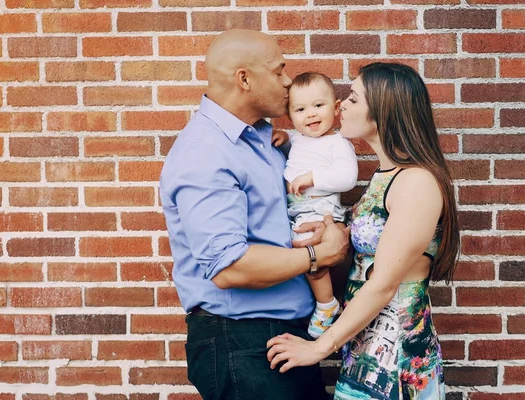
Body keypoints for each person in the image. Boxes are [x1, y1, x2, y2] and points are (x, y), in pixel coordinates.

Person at [159, 29, 350, 400]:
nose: (288, 81)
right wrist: (319, 255)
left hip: (279, 338)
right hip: (242, 343)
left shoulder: (263, 139)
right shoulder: (206, 152)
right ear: (244, 79)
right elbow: (230, 267)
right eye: (278, 71)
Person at [267, 62, 460, 400]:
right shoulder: (385, 177)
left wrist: (317, 348)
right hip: (363, 346)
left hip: (396, 358)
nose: (341, 106)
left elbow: (384, 285)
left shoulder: (415, 182)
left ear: (382, 113)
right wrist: (333, 233)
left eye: (353, 99)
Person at [271, 72, 358, 339]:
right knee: (296, 253)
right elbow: (296, 160)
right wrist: (284, 142)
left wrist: (313, 178)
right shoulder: (298, 140)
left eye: (318, 106)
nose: (310, 114)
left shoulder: (338, 143)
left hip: (320, 209)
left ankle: (327, 305)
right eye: (300, 109)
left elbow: (347, 178)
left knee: (312, 256)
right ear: (290, 116)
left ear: (335, 107)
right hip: (297, 210)